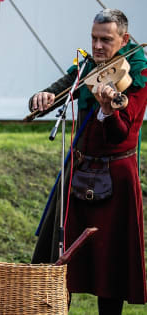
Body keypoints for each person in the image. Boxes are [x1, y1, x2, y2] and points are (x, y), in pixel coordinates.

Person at [30, 9, 147, 315]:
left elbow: (122, 133)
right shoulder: (85, 67)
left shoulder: (139, 72)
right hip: (79, 168)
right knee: (58, 258)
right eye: (94, 38)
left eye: (105, 40)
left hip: (116, 173)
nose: (97, 46)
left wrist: (108, 110)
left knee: (112, 265)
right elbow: (59, 89)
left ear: (123, 39)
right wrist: (42, 97)